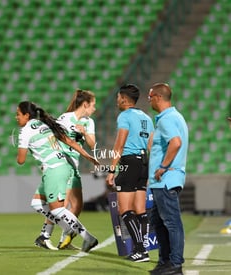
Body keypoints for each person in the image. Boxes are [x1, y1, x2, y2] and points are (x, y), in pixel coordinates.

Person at [15, 101, 99, 253]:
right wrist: (88, 157)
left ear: (26, 115)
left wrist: (19, 145)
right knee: (37, 203)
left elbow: (20, 161)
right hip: (61, 166)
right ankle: (53, 234)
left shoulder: (25, 131)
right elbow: (69, 141)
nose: (16, 117)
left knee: (57, 209)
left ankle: (88, 237)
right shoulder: (45, 125)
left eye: (18, 114)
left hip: (54, 169)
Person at [105, 84, 154, 262]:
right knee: (140, 210)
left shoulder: (124, 116)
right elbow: (151, 145)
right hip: (144, 162)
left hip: (129, 162)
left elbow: (119, 144)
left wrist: (112, 170)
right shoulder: (146, 118)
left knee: (124, 209)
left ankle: (140, 250)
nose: (117, 100)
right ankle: (144, 249)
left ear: (124, 99)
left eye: (118, 97)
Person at [147, 83, 188, 275]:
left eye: (150, 97)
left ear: (157, 97)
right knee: (159, 222)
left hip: (165, 179)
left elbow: (176, 143)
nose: (148, 100)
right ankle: (164, 262)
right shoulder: (172, 117)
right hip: (162, 181)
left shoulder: (167, 119)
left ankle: (175, 264)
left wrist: (162, 167)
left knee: (171, 222)